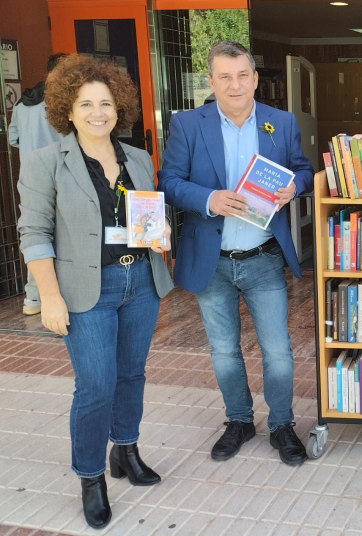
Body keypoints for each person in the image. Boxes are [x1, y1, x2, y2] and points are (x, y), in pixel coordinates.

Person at [16, 54, 174, 529]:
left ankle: (125, 451)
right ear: (67, 108)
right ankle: (90, 477)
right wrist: (50, 297)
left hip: (140, 281)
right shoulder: (46, 161)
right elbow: (34, 233)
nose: (97, 113)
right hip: (86, 290)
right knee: (96, 386)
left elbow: (149, 222)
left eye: (106, 103)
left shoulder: (139, 159)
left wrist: (159, 232)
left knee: (131, 375)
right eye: (85, 104)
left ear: (119, 106)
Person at [158, 41, 314, 467]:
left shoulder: (280, 123)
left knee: (278, 351)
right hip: (212, 260)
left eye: (242, 75)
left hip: (262, 256)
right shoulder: (188, 124)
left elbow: (303, 169)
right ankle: (240, 420)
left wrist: (294, 187)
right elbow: (168, 181)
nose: (235, 84)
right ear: (210, 82)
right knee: (224, 350)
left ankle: (282, 424)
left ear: (255, 79)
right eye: (224, 76)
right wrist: (209, 198)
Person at [9, 53, 67, 316]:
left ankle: (33, 298)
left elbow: (13, 138)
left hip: (29, 178)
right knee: (60, 235)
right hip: (61, 174)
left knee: (35, 235)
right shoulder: (63, 102)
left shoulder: (22, 104)